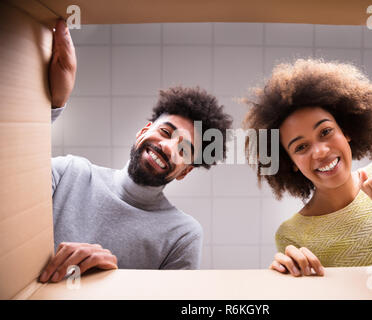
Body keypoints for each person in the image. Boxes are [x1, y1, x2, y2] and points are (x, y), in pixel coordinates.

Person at [39, 20, 232, 283]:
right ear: (143, 131)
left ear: (185, 171)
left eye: (184, 149)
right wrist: (53, 105)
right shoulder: (69, 173)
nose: (167, 147)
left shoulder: (182, 234)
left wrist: (115, 282)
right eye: (166, 132)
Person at [243, 58, 372, 277]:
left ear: (346, 131)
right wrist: (287, 281)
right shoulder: (291, 235)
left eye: (326, 132)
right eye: (301, 146)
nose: (320, 152)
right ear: (290, 162)